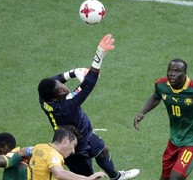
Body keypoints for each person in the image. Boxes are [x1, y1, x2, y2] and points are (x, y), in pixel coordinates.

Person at [37, 34, 140, 180]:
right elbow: (88, 85)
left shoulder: (44, 96)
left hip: (85, 133)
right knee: (89, 177)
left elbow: (54, 80)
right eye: (60, 90)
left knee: (102, 151)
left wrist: (74, 72)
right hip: (72, 145)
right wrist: (99, 55)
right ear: (56, 97)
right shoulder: (66, 108)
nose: (64, 88)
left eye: (62, 85)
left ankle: (116, 176)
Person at [24, 126, 107, 180]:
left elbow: (22, 151)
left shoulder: (39, 147)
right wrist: (88, 179)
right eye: (73, 145)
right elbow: (59, 173)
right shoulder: (54, 156)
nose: (73, 151)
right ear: (65, 140)